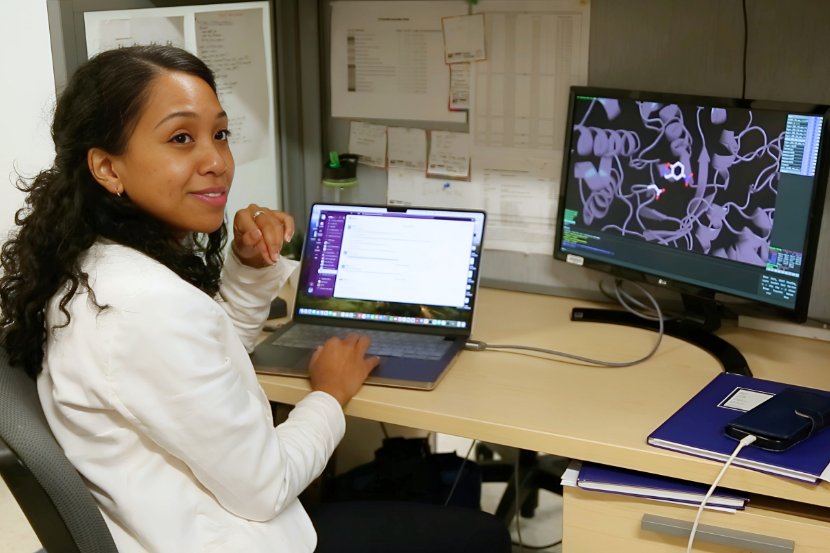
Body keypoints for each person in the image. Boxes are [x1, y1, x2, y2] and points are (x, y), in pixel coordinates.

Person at [0, 45, 511, 553]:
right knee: (482, 535)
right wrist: (329, 396)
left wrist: (247, 268)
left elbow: (206, 361)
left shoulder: (94, 268)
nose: (217, 162)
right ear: (108, 168)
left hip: (181, 524)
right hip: (231, 536)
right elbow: (268, 486)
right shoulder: (144, 305)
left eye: (219, 134)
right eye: (182, 138)